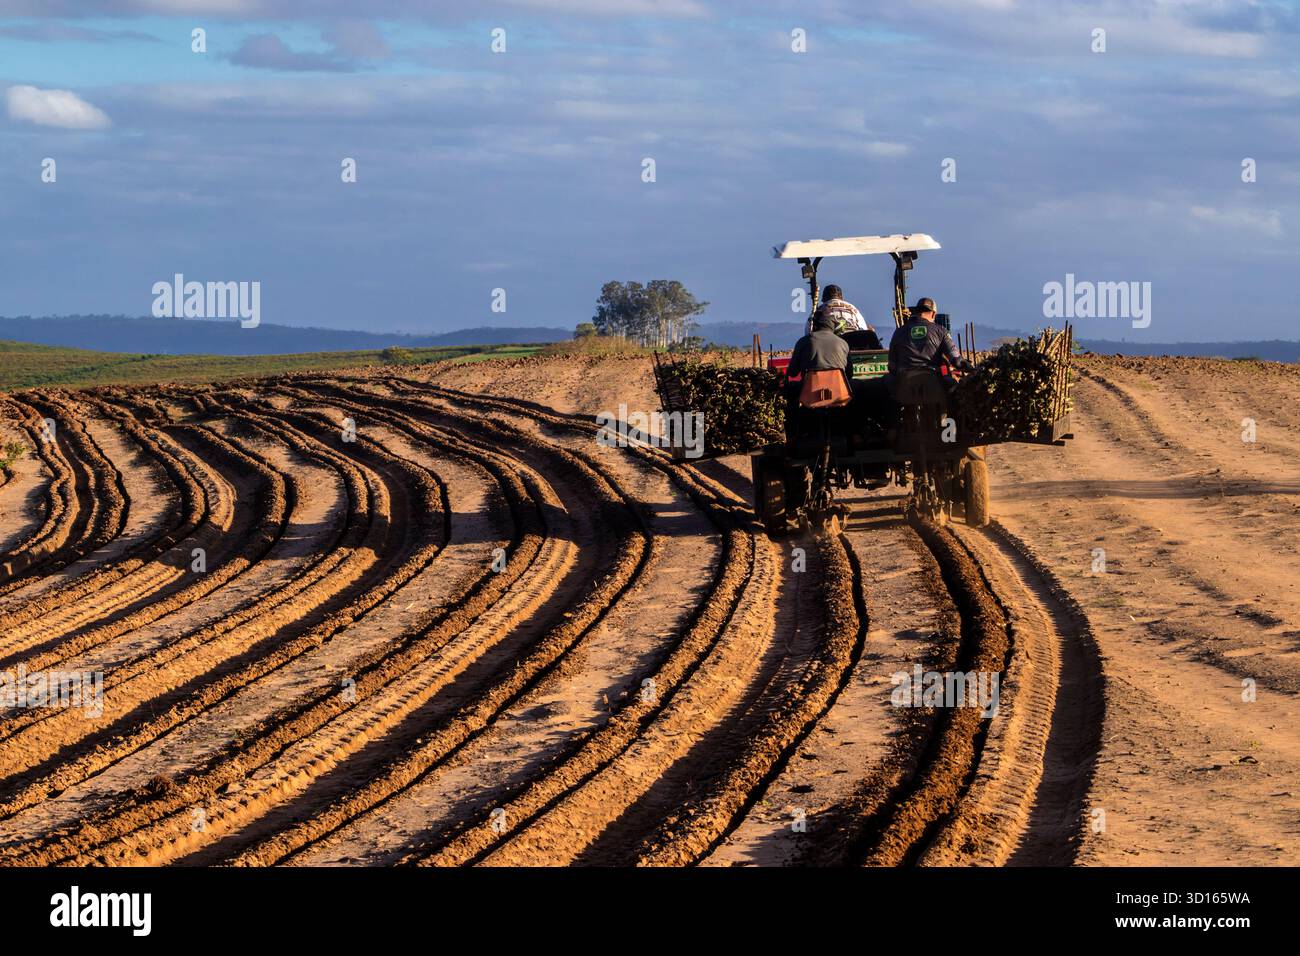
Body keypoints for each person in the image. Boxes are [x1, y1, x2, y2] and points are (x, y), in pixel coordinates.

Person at [887, 297, 973, 375]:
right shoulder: (941, 331)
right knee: (954, 387)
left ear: (917, 312)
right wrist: (968, 366)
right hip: (932, 379)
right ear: (933, 314)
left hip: (904, 383)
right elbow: (956, 360)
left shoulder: (899, 332)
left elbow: (892, 365)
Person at [789, 308, 850, 379]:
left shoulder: (803, 342)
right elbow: (849, 374)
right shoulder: (843, 343)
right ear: (832, 325)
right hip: (839, 388)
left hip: (810, 388)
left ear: (814, 325)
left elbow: (792, 372)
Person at [806, 284, 871, 335]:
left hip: (832, 347)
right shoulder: (853, 309)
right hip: (856, 345)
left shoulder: (819, 311)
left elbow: (808, 333)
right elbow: (863, 329)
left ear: (823, 299)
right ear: (842, 297)